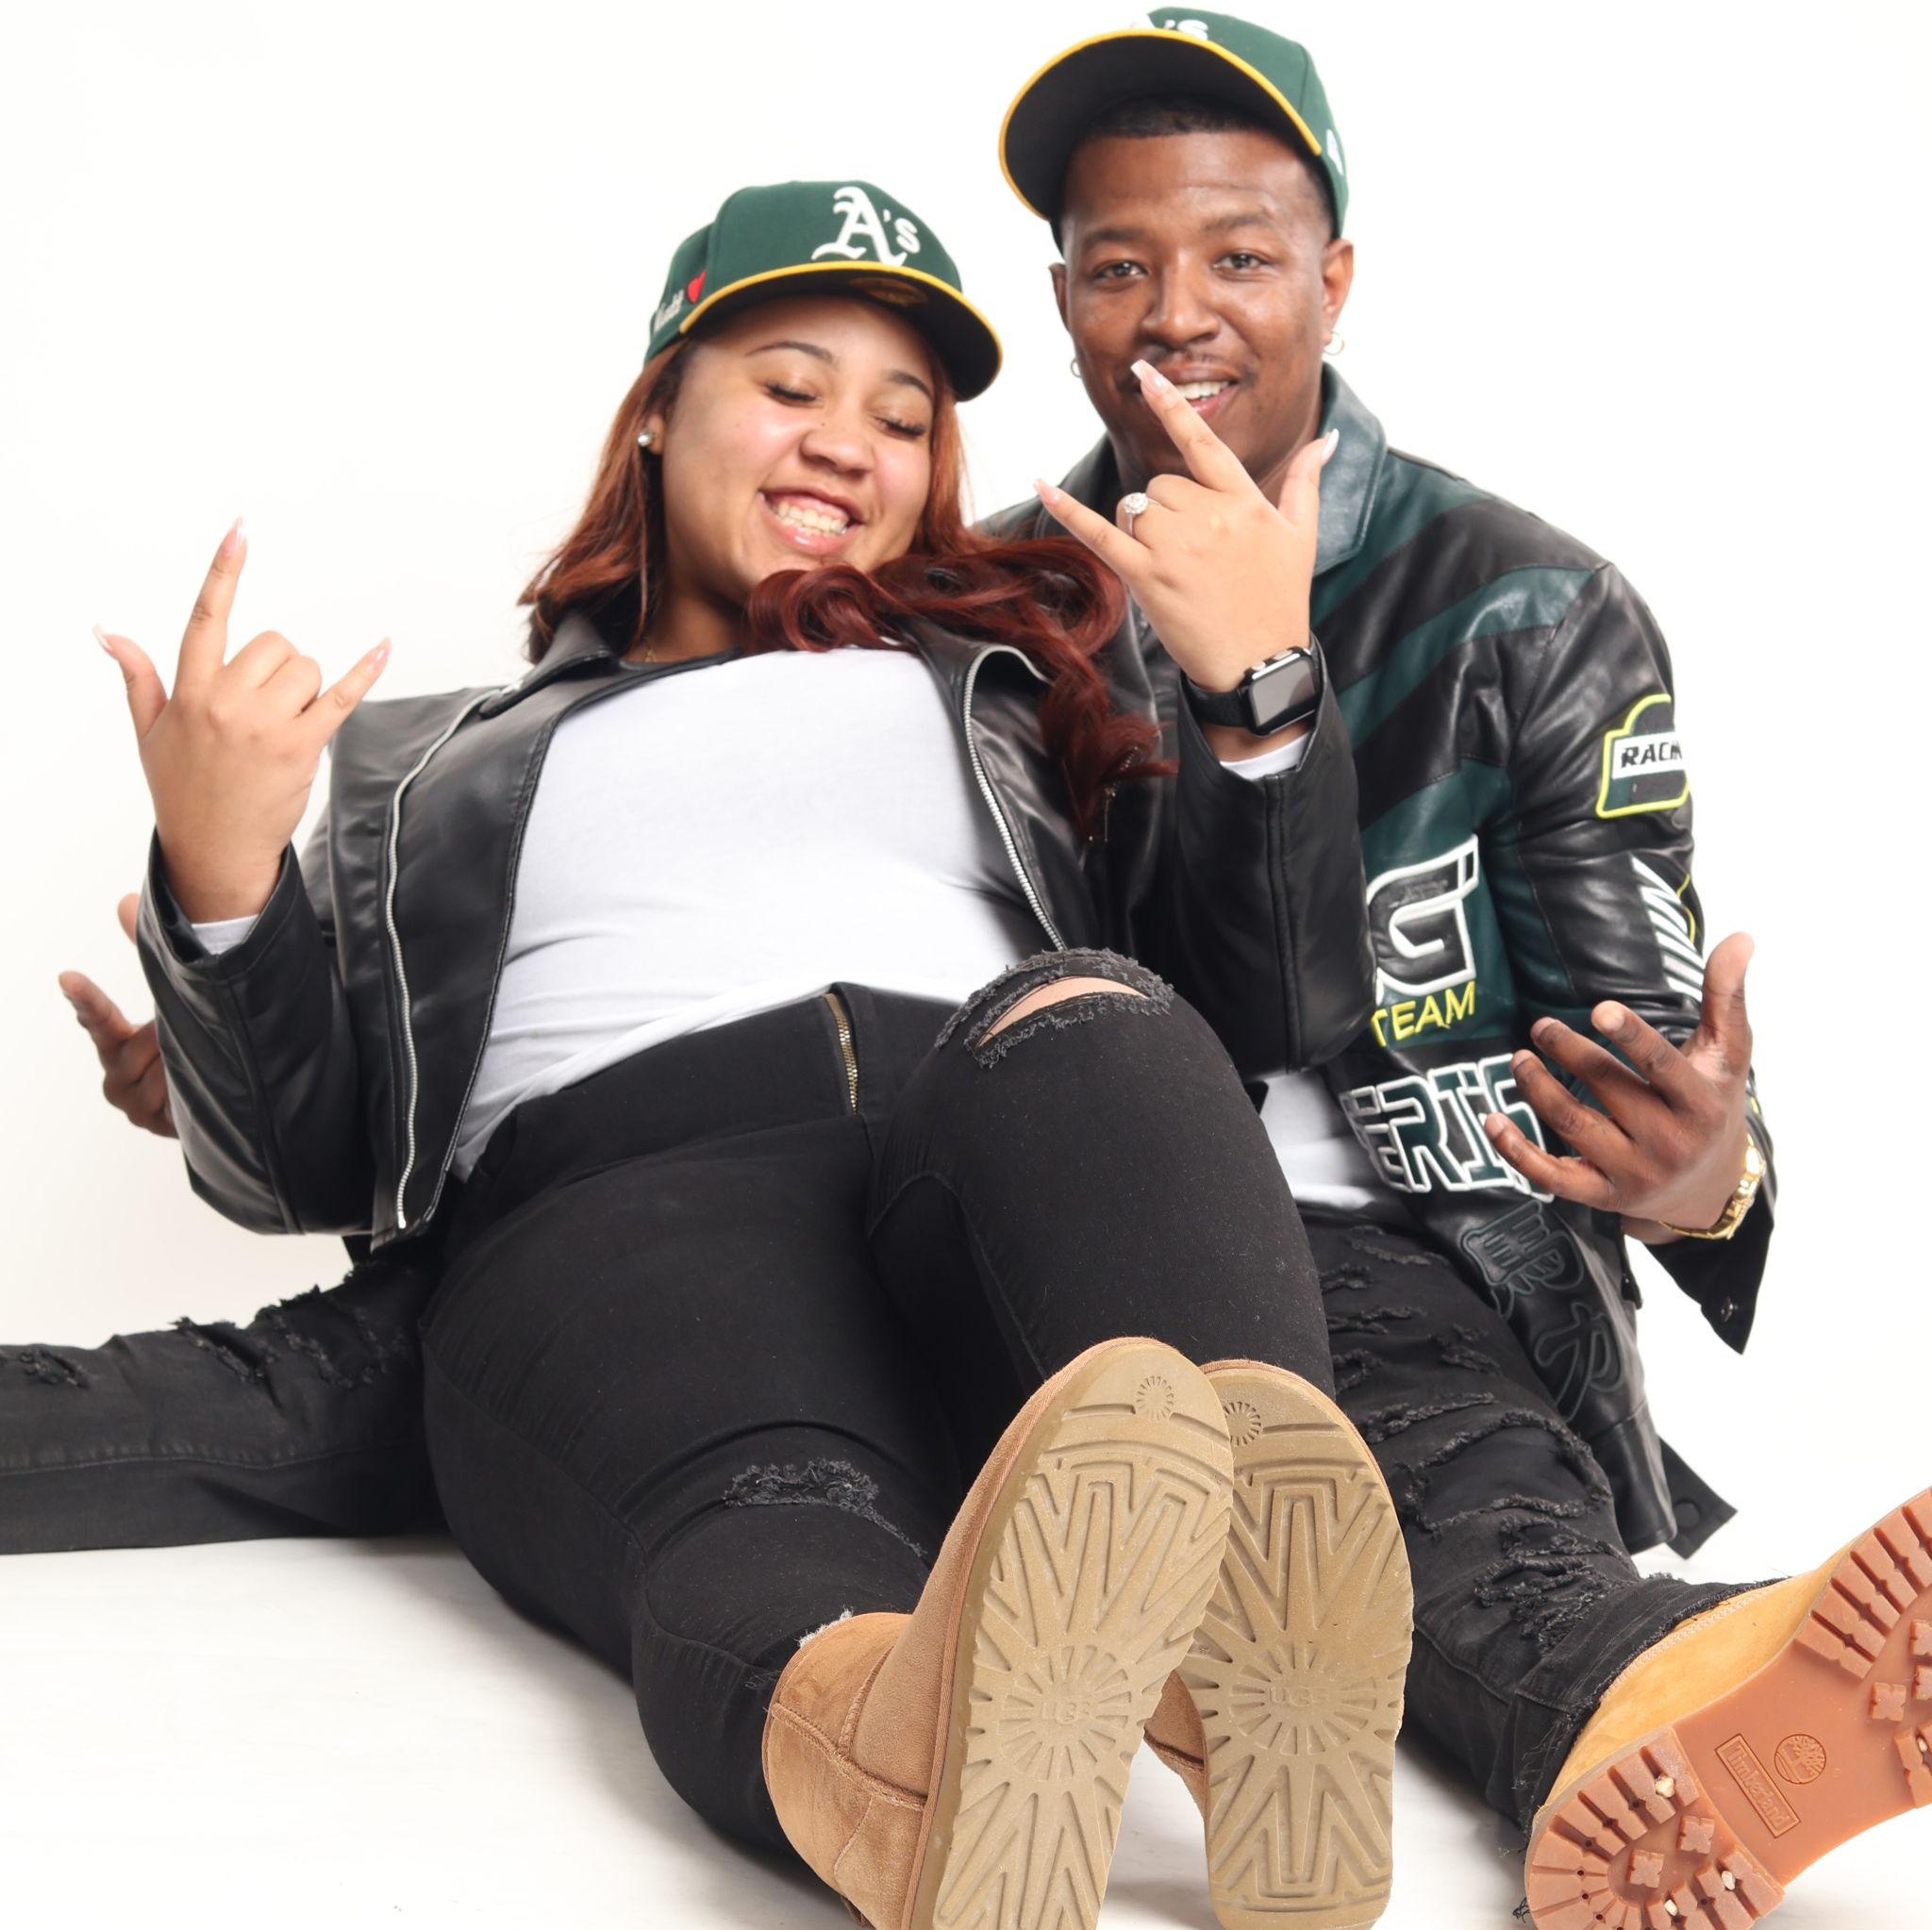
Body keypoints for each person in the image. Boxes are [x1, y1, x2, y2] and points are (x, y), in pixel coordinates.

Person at [13, 177, 1416, 1930]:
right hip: (625, 1209)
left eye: (903, 418)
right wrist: (226, 884)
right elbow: (300, 1160)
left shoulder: (1008, 682)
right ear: (659, 408)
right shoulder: (425, 760)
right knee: (769, 1504)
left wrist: (1258, 687)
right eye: (791, 384)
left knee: (1102, 1032)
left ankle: (1255, 1606)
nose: (848, 442)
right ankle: (904, 1755)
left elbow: (1266, 1014)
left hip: (987, 1183)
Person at [986, 11, 1927, 1927]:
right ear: (1064, 297)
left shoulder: (1523, 606)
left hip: (1416, 1254)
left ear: (1333, 279)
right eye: (1116, 264)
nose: (1176, 313)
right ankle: (1676, 1680)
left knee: (1434, 1474)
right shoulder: (985, 612)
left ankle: (1655, 1689)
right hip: (1062, 1250)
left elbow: (1636, 1050)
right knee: (1278, 1457)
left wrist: (1703, 1174)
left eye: (1239, 256)